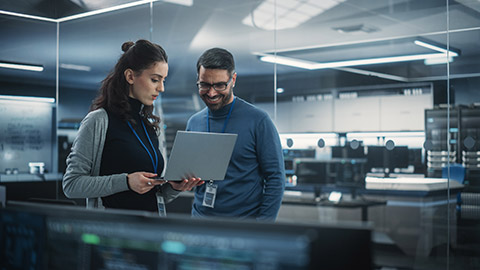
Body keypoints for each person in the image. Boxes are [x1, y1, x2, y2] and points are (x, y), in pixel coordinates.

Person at [63, 39, 204, 213]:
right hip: (112, 233)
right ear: (130, 76)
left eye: (163, 81)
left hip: (151, 230)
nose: (161, 88)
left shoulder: (150, 125)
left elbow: (156, 195)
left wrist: (175, 187)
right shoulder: (98, 121)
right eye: (155, 80)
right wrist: (127, 182)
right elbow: (71, 185)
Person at [186, 48, 285, 221]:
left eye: (219, 85)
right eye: (205, 85)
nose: (211, 93)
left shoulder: (258, 121)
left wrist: (262, 225)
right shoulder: (194, 123)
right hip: (201, 222)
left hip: (243, 225)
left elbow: (275, 178)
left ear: (233, 80)